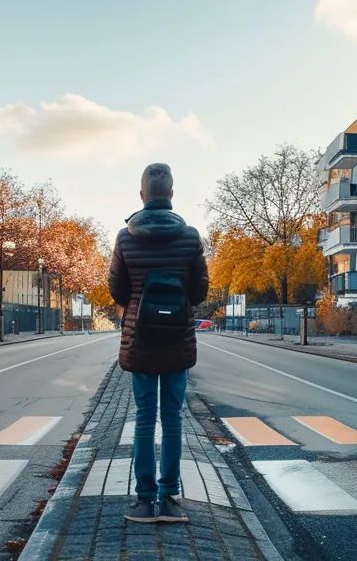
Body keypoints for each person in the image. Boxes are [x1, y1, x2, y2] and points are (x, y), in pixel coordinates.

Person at [109, 163, 209, 524]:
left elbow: (117, 290)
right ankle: (169, 498)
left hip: (140, 340)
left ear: (142, 195)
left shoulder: (125, 238)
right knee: (172, 418)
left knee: (144, 419)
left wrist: (138, 300)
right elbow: (199, 291)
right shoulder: (191, 237)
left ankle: (143, 500)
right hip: (178, 338)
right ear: (171, 195)